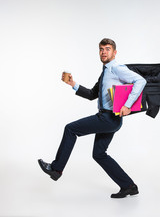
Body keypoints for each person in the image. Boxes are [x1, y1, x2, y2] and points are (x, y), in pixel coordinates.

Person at [38, 38, 146, 198]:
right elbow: (91, 94)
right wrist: (73, 84)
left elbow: (140, 81)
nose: (103, 52)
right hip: (108, 118)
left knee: (70, 129)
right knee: (99, 154)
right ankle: (129, 186)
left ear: (114, 52)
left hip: (108, 118)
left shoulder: (116, 68)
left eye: (107, 49)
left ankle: (56, 169)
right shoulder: (105, 72)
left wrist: (128, 105)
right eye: (101, 49)